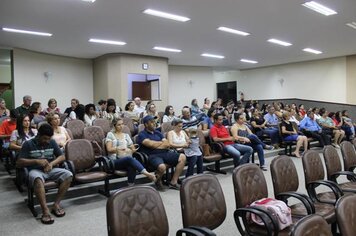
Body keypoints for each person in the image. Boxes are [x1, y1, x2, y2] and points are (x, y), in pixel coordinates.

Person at [16, 124, 73, 224]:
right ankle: (45, 210)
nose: (47, 141)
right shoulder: (28, 144)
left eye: (49, 138)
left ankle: (56, 204)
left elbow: (62, 157)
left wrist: (51, 164)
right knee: (37, 179)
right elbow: (19, 162)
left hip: (50, 169)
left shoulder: (52, 141)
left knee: (68, 175)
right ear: (39, 135)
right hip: (35, 170)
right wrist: (36, 161)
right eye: (45, 138)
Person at [137, 115, 186, 191]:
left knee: (182, 157)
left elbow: (167, 144)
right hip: (152, 155)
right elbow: (150, 144)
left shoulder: (158, 132)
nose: (154, 123)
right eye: (152, 122)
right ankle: (158, 181)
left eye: (154, 122)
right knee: (162, 167)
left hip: (165, 153)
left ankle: (173, 182)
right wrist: (160, 143)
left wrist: (155, 145)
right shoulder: (142, 134)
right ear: (146, 124)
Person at [105, 118, 156, 185]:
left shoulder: (126, 135)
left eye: (122, 124)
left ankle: (131, 185)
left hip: (126, 158)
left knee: (131, 165)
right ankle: (147, 173)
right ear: (114, 126)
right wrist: (118, 149)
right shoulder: (110, 134)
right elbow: (109, 149)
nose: (121, 126)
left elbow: (132, 147)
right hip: (114, 161)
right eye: (118, 125)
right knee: (130, 159)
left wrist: (132, 149)